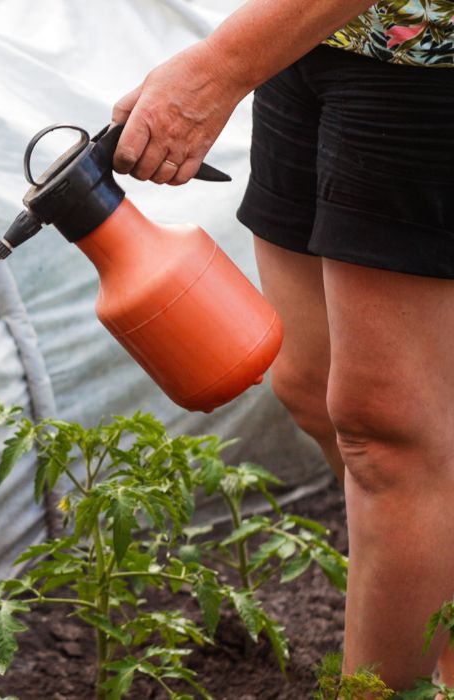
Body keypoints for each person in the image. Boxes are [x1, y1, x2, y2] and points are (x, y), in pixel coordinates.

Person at [111, 0, 454, 690]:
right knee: (307, 382)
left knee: (386, 433)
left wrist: (217, 68)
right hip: (307, 30)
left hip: (427, 54)